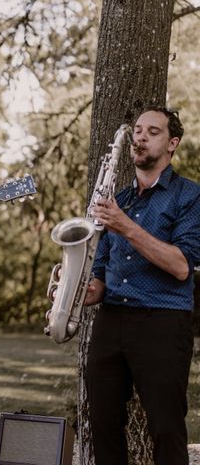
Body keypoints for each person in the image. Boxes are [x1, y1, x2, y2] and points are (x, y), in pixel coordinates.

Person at [84, 107, 200, 465]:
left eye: (153, 131)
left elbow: (182, 266)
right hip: (112, 319)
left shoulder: (189, 196)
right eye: (137, 130)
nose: (140, 137)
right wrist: (78, 292)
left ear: (172, 143)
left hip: (163, 321)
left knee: (165, 428)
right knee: (101, 423)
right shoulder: (118, 198)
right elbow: (100, 273)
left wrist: (125, 226)